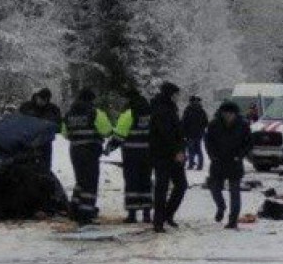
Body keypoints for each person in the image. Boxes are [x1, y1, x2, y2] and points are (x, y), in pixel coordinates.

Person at [62, 88, 112, 224]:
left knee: (80, 181)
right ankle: (86, 213)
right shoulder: (95, 112)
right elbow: (107, 130)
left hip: (75, 150)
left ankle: (74, 209)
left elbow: (65, 134)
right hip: (90, 151)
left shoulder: (69, 114)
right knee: (90, 182)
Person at [205, 101, 252, 229]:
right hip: (218, 161)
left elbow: (248, 143)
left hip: (234, 162)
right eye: (225, 113)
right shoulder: (214, 124)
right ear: (221, 113)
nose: (228, 116)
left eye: (231, 114)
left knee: (235, 192)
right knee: (215, 188)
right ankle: (221, 206)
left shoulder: (242, 125)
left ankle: (233, 220)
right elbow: (208, 142)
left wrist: (240, 155)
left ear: (235, 114)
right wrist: (212, 156)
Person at [148, 81, 188, 231]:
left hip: (169, 153)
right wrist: (177, 150)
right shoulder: (162, 109)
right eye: (176, 94)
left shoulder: (168, 108)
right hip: (164, 154)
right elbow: (167, 134)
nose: (178, 97)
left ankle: (166, 215)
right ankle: (159, 220)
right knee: (163, 187)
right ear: (170, 94)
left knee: (179, 185)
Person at [113, 90, 154, 224]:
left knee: (132, 182)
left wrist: (109, 147)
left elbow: (119, 135)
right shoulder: (150, 115)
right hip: (147, 153)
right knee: (146, 181)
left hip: (131, 154)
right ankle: (147, 214)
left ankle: (132, 214)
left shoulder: (129, 114)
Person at [19, 88, 62, 168]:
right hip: (27, 142)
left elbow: (58, 126)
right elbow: (18, 122)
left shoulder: (53, 109)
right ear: (37, 96)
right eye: (41, 99)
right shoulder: (26, 107)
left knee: (45, 167)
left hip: (45, 143)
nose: (42, 102)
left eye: (45, 100)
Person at [182, 96, 209, 171]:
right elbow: (206, 122)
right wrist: (201, 129)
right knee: (198, 149)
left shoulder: (188, 110)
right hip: (199, 134)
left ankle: (191, 165)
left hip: (190, 133)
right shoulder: (201, 110)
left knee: (191, 150)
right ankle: (200, 165)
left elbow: (184, 122)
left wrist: (184, 132)